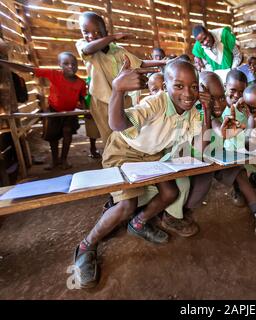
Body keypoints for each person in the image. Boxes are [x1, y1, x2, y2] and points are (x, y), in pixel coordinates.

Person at [73, 59, 211, 288]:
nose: (188, 93)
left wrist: (206, 110)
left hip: (152, 155)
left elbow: (203, 147)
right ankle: (86, 246)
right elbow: (117, 124)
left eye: (194, 86)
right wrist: (117, 89)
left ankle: (138, 223)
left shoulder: (193, 112)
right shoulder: (155, 102)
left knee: (170, 193)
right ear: (166, 86)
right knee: (126, 205)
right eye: (179, 86)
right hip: (124, 151)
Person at [184, 72, 256, 251]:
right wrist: (206, 110)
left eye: (221, 97)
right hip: (195, 165)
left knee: (240, 173)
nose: (220, 103)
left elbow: (236, 140)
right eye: (213, 99)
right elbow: (204, 145)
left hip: (222, 160)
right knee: (188, 204)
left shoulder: (233, 112)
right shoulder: (194, 112)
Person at [76, 11, 168, 143]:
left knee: (128, 132)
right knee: (109, 137)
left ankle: (128, 158)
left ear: (105, 31)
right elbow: (89, 49)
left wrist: (163, 62)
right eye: (86, 32)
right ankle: (112, 161)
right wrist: (113, 37)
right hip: (101, 101)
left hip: (122, 98)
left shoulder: (118, 50)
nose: (91, 36)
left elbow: (140, 63)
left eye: (97, 32)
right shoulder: (84, 46)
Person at [0, 52, 86, 170]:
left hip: (69, 113)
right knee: (53, 138)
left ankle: (64, 159)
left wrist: (84, 108)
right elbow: (28, 69)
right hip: (53, 111)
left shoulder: (81, 82)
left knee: (68, 133)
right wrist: (3, 62)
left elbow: (81, 96)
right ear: (59, 65)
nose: (70, 66)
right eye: (66, 64)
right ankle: (55, 160)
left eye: (74, 64)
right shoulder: (54, 74)